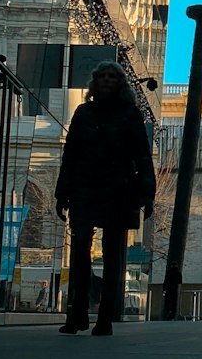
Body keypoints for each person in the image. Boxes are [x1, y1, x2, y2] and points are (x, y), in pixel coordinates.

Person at [55, 61, 155, 336]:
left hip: (116, 189)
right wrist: (62, 193)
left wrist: (147, 194)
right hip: (84, 187)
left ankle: (105, 318)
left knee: (113, 255)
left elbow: (142, 156)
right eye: (103, 76)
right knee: (79, 252)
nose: (108, 81)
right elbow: (70, 155)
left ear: (120, 83)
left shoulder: (130, 114)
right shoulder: (83, 112)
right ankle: (78, 314)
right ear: (95, 82)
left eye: (113, 76)